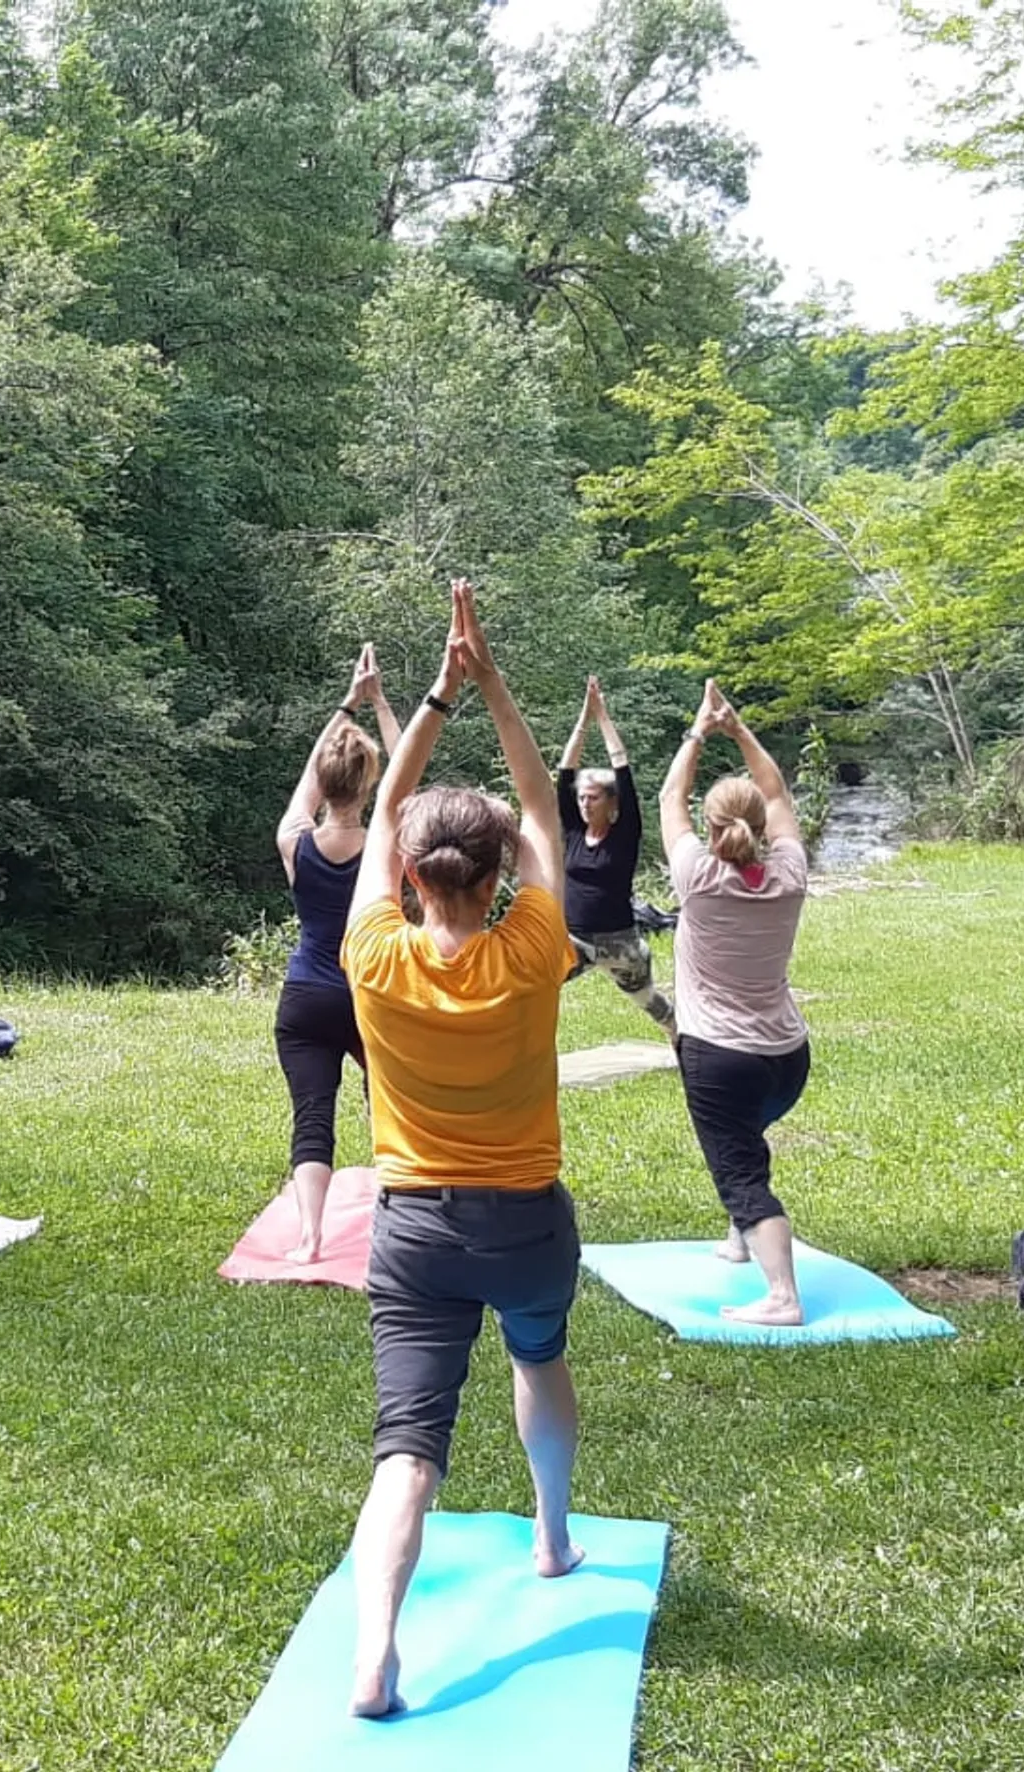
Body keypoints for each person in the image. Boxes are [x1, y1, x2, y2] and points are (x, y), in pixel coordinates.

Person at [342, 580, 585, 1719]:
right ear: (495, 884)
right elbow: (540, 796)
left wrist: (435, 693)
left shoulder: (372, 951)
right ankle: (551, 1536)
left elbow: (391, 797)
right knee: (538, 1361)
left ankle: (375, 1649)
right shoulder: (535, 945)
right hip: (526, 1220)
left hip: (415, 1228)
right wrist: (492, 684)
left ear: (406, 877)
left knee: (408, 1446)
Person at [658, 681, 815, 1326]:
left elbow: (670, 797)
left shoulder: (696, 876)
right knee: (745, 1143)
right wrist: (740, 730)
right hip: (788, 1059)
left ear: (716, 826)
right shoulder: (790, 874)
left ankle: (784, 1296)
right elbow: (776, 794)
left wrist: (699, 730)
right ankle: (736, 1239)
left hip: (722, 1058)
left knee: (742, 1174)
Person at [272, 647, 403, 1263]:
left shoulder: (294, 842)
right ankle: (398, 1224)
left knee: (312, 1118)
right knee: (393, 1112)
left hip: (306, 998)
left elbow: (306, 780)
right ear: (369, 780)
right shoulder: (388, 842)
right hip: (372, 993)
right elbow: (408, 766)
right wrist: (377, 703)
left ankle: (309, 1238)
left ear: (324, 783)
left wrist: (348, 700)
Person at [553, 675, 676, 1034]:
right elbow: (565, 773)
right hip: (574, 941)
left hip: (619, 941)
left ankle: (676, 1031)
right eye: (581, 798)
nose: (585, 803)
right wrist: (583, 719)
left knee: (649, 1001)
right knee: (535, 986)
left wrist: (602, 716)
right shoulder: (575, 831)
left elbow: (623, 771)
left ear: (612, 803)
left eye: (593, 797)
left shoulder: (624, 835)